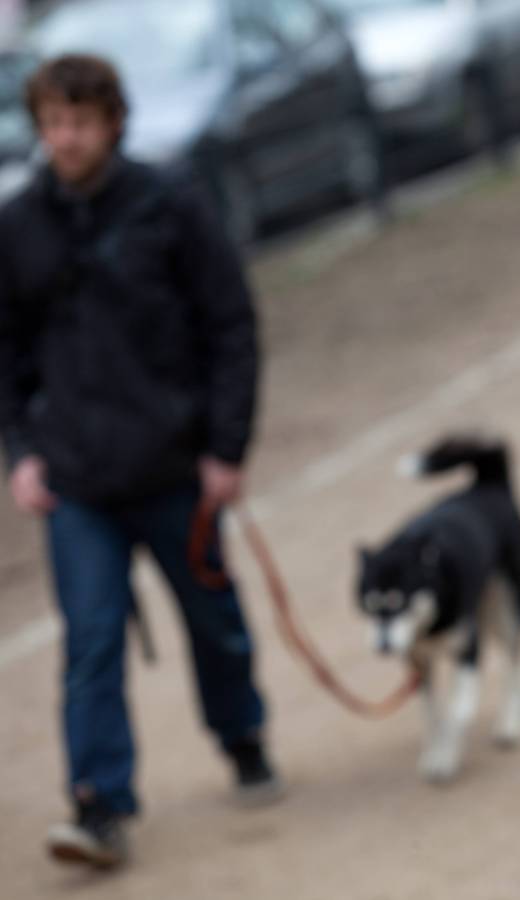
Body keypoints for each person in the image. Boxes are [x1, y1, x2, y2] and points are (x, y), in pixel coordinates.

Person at [0, 54, 280, 870]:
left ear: (114, 122)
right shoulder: (18, 228)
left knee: (213, 623)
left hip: (175, 470)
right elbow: (6, 353)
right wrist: (22, 454)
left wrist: (226, 448)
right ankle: (99, 806)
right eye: (54, 123)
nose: (67, 138)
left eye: (81, 122)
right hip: (77, 481)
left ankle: (242, 736)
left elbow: (232, 326)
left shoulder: (172, 205)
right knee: (90, 641)